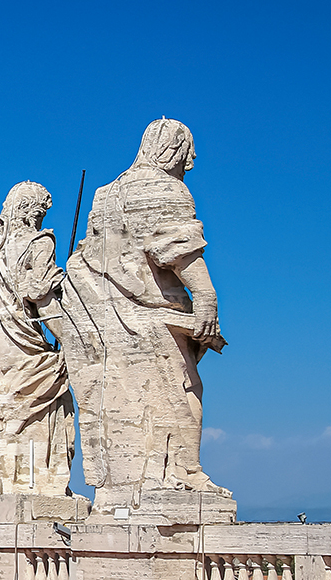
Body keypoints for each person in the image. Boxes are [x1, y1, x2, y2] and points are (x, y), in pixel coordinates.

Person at [58, 118, 229, 503]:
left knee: (121, 401)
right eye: (187, 153)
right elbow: (176, 248)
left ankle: (127, 488)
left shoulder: (105, 195)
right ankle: (183, 472)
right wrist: (206, 296)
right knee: (182, 390)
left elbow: (88, 256)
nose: (190, 163)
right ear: (174, 150)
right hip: (152, 317)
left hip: (105, 318)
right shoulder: (164, 189)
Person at [0, 181, 75, 497]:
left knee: (0, 410)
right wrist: (73, 340)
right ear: (32, 212)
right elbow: (41, 297)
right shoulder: (38, 242)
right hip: (24, 347)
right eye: (41, 213)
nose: (41, 219)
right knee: (48, 395)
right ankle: (41, 484)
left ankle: (0, 482)